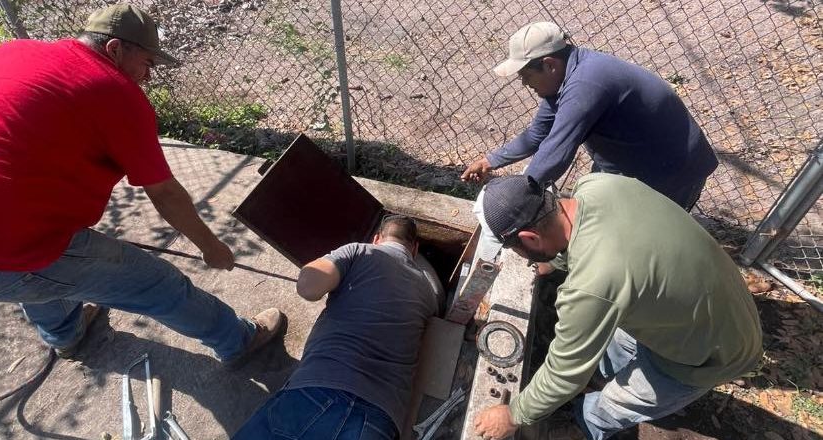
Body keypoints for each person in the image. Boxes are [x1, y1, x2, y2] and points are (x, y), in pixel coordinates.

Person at [0, 3, 282, 368]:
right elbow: (164, 192)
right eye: (147, 63)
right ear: (115, 48)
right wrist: (211, 247)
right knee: (155, 284)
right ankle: (239, 340)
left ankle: (66, 336)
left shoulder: (13, 51)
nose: (147, 76)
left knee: (46, 274)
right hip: (9, 247)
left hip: (8, 240)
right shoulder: (113, 90)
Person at [472, 174, 762, 440]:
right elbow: (604, 245)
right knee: (611, 349)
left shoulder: (591, 287)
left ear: (530, 238)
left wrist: (514, 414)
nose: (523, 257)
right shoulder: (598, 185)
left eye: (515, 249)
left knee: (608, 407)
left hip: (711, 354)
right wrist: (556, 260)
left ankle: (584, 424)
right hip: (708, 305)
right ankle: (599, 378)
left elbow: (565, 373)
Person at [462, 21, 719, 263]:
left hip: (671, 169)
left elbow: (556, 152)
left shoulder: (587, 84)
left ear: (549, 65)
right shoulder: (564, 77)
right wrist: (490, 161)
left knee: (644, 238)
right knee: (600, 221)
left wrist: (513, 204)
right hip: (629, 161)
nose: (524, 83)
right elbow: (537, 135)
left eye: (525, 75)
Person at [232, 215, 439, 440]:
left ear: (377, 238)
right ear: (415, 249)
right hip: (381, 419)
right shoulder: (429, 291)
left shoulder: (360, 251)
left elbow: (308, 288)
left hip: (318, 390)